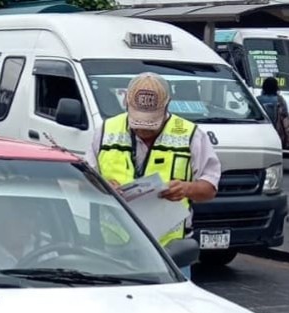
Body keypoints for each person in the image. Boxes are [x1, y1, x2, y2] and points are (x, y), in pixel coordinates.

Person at [85, 72, 221, 278]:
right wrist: (102, 186)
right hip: (113, 249)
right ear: (126, 105)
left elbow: (210, 188)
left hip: (170, 253)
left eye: (151, 123)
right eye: (138, 123)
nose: (143, 131)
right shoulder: (106, 130)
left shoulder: (190, 135)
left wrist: (186, 189)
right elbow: (82, 182)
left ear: (166, 106)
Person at [257, 77, 289, 149]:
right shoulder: (280, 100)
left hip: (261, 129)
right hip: (276, 130)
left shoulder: (258, 99)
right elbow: (285, 115)